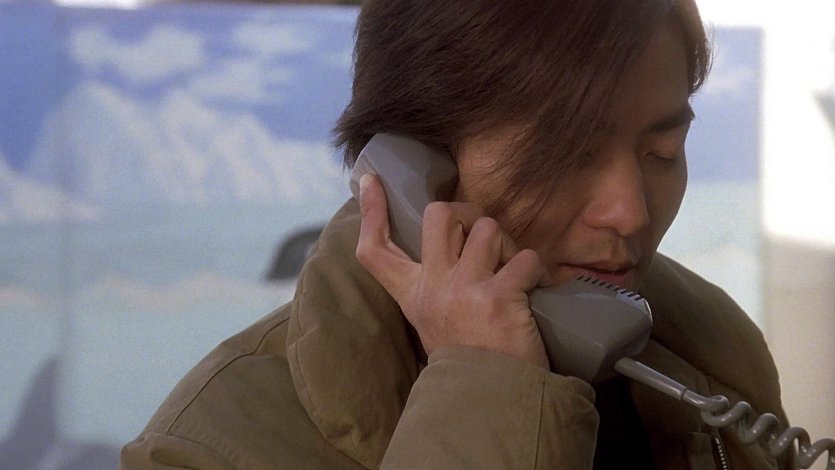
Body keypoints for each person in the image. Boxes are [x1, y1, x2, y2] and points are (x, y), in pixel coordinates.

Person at [121, 0, 795, 468]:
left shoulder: (710, 355)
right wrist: (489, 392)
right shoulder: (206, 447)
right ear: (414, 165)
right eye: (564, 155)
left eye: (662, 153)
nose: (629, 213)